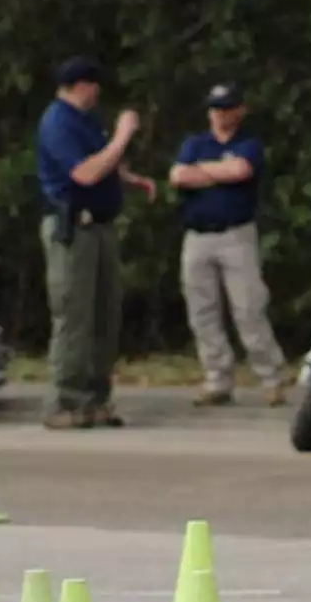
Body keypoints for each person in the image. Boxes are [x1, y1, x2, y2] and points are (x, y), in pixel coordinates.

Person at [35, 55, 157, 430]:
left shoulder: (87, 122)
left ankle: (96, 398)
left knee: (105, 313)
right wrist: (123, 135)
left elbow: (103, 163)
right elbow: (85, 173)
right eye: (93, 83)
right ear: (79, 85)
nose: (98, 90)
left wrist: (129, 179)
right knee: (75, 315)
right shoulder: (57, 121)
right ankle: (65, 401)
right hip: (73, 228)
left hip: (100, 226)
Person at [169, 81, 287, 407]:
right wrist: (218, 172)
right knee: (202, 311)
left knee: (248, 307)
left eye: (227, 108)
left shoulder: (248, 143)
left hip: (235, 234)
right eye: (216, 109)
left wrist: (203, 173)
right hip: (197, 236)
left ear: (239, 109)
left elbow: (241, 170)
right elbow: (178, 176)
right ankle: (217, 378)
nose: (221, 115)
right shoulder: (195, 143)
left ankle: (270, 376)